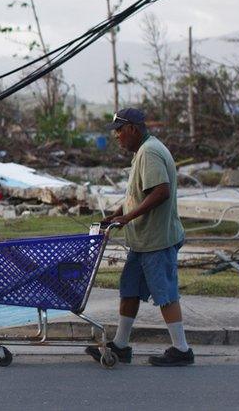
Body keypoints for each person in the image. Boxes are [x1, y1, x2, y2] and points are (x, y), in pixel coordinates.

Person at [86, 108, 194, 367]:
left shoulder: (150, 153)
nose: (117, 137)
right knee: (130, 290)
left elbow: (160, 192)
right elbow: (140, 193)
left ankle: (182, 349)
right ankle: (121, 345)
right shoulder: (141, 153)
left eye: (119, 131)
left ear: (133, 128)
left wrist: (129, 217)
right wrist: (117, 214)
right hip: (142, 241)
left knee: (165, 294)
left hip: (157, 240)